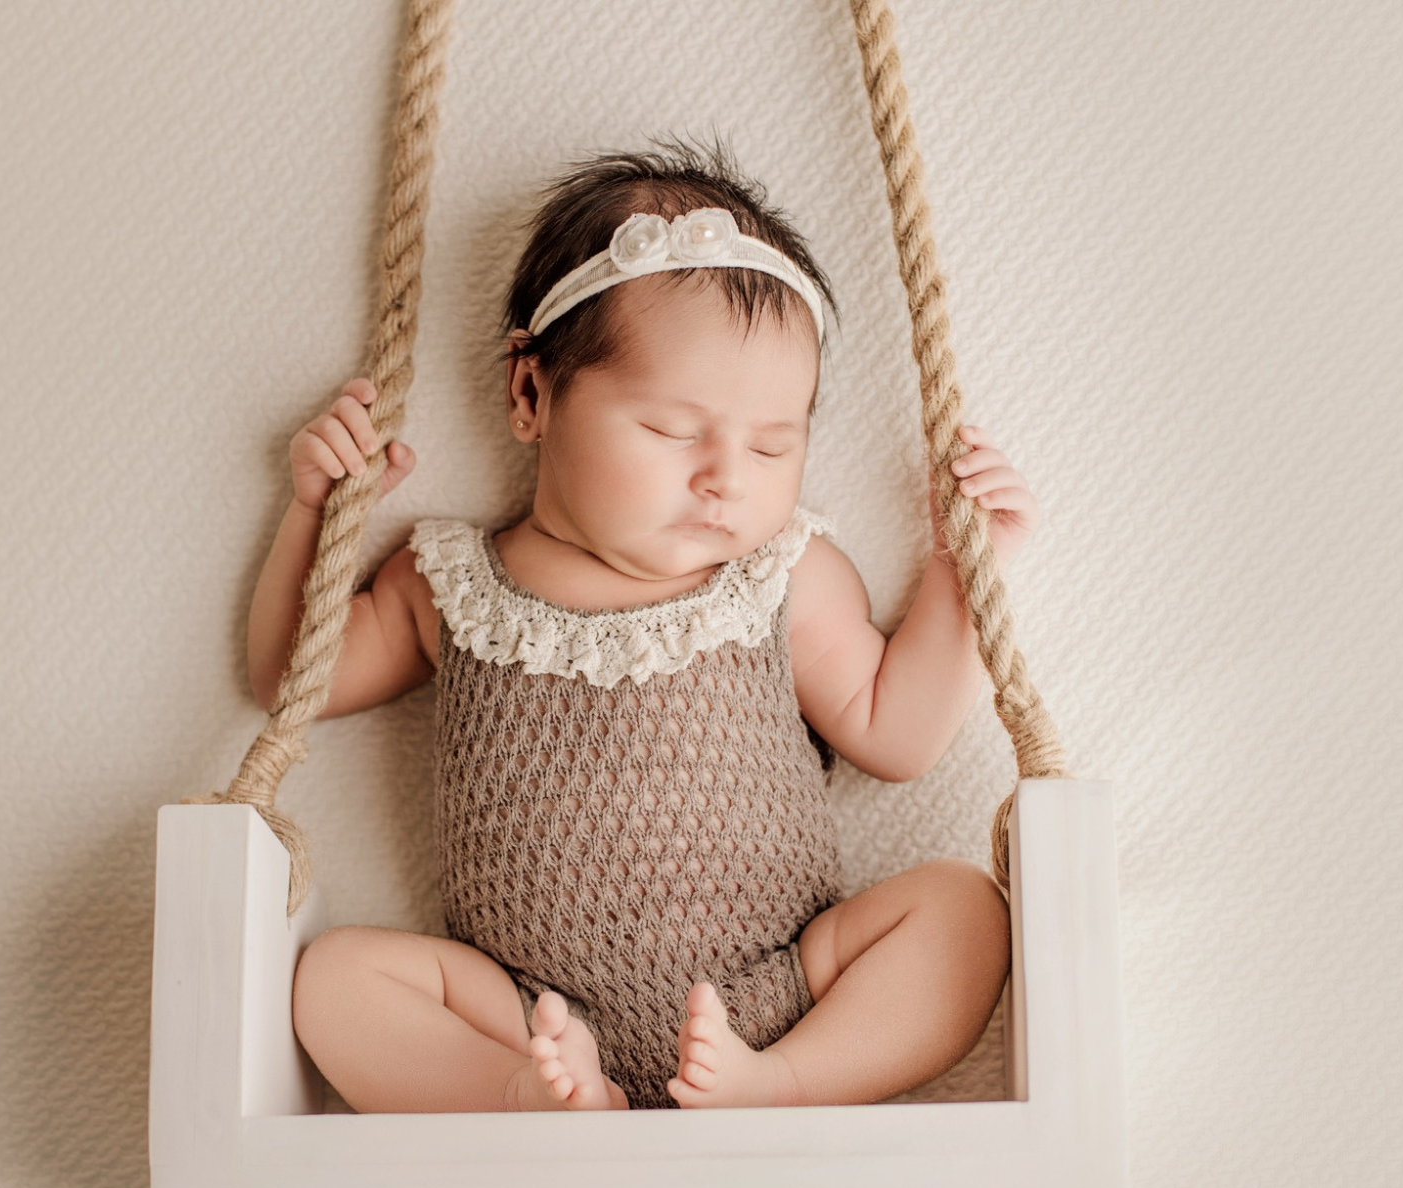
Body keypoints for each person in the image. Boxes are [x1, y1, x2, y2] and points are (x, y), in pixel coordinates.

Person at [247, 139, 1039, 1112]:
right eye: (670, 430)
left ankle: (781, 1083)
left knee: (962, 910)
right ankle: (521, 1097)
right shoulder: (447, 580)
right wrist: (314, 524)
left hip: (776, 988)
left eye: (770, 443)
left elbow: (897, 731)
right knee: (333, 979)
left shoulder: (780, 577)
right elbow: (293, 681)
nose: (725, 476)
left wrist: (963, 572)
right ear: (529, 393)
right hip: (528, 1010)